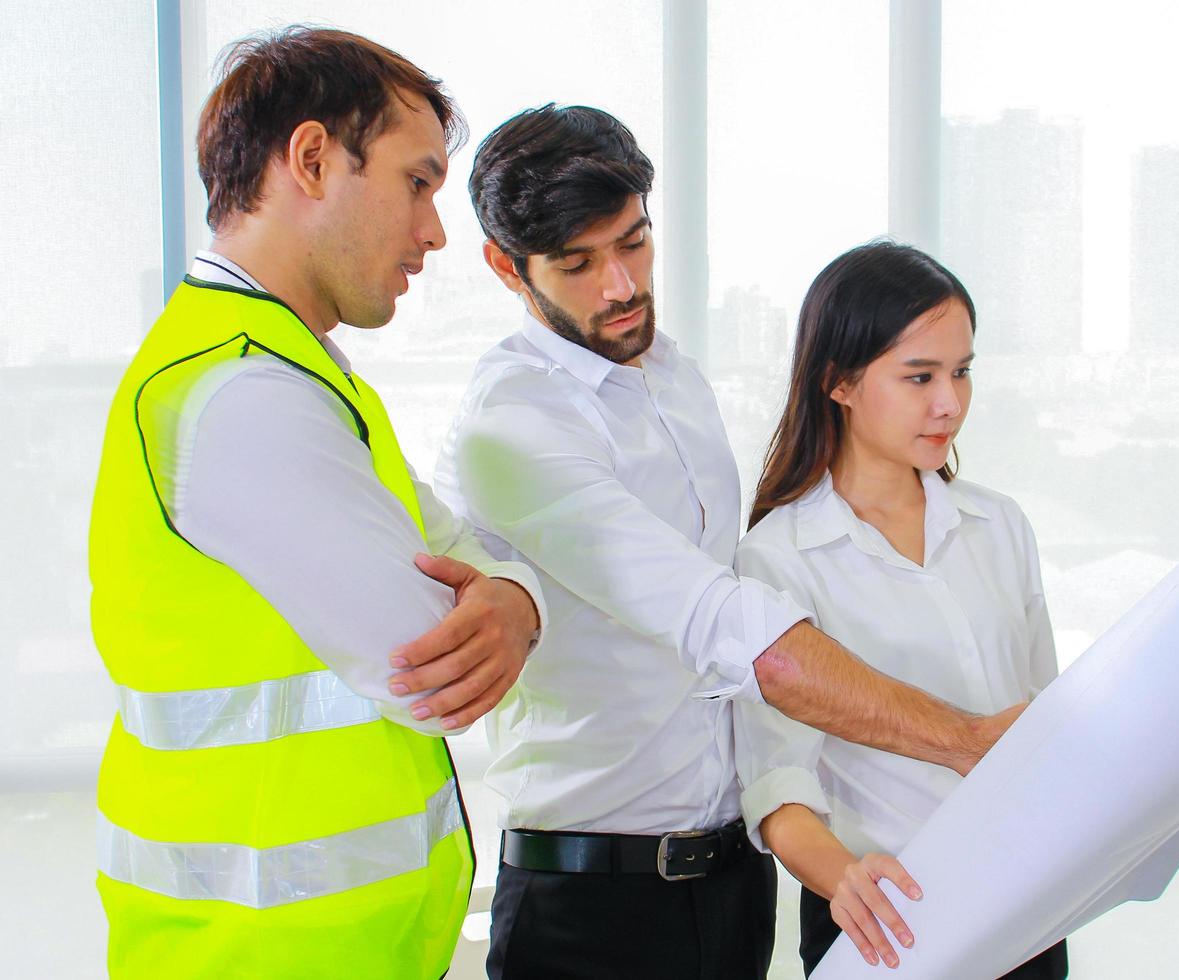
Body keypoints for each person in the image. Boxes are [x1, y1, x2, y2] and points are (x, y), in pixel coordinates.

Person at [429, 105, 1023, 980]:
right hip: (591, 902)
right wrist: (966, 739)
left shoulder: (673, 377)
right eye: (578, 264)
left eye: (633, 243)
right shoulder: (513, 425)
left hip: (729, 884)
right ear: (504, 267)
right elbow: (724, 624)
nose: (621, 286)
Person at [88, 28, 545, 979]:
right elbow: (430, 670)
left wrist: (513, 597)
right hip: (262, 955)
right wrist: (502, 598)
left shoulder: (290, 370)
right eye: (417, 183)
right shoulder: (243, 393)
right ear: (311, 158)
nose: (434, 231)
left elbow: (463, 544)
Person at [732, 240, 1179, 977]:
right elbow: (775, 784)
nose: (948, 402)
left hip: (1028, 913)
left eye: (960, 372)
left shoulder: (998, 526)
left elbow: (1052, 724)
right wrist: (843, 879)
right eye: (918, 376)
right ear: (839, 382)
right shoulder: (779, 554)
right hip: (887, 923)